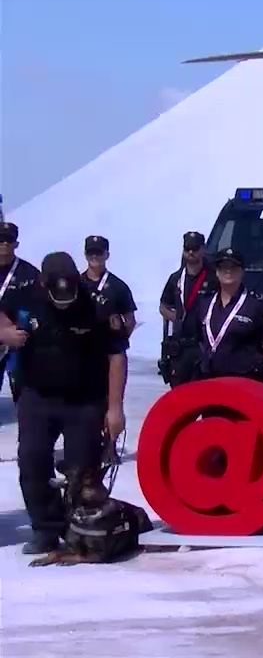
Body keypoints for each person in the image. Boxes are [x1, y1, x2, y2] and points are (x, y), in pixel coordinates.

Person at [0, 252, 126, 555]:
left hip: (83, 398)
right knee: (32, 459)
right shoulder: (27, 295)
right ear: (44, 284)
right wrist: (5, 332)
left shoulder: (96, 305)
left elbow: (116, 355)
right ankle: (45, 527)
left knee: (82, 467)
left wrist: (115, 408)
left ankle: (80, 528)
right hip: (37, 395)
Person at [191, 248, 263, 382]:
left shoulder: (258, 305)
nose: (228, 271)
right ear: (217, 272)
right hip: (210, 378)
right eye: (223, 267)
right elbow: (199, 339)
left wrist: (257, 362)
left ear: (242, 271)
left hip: (245, 379)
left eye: (233, 267)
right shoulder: (205, 303)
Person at [158, 231, 218, 386]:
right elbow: (163, 306)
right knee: (179, 396)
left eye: (195, 248)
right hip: (181, 347)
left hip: (203, 344)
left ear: (203, 249)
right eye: (188, 248)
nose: (191, 252)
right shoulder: (176, 278)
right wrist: (177, 319)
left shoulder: (213, 278)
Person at [0, 221, 41, 404]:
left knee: (23, 393)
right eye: (1, 239)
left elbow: (40, 307)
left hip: (19, 341)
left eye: (9, 240)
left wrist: (22, 332)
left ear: (16, 243)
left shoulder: (29, 273)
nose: (5, 244)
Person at [81, 235, 138, 343]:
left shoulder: (118, 286)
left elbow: (130, 321)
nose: (94, 256)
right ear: (85, 255)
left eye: (99, 252)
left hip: (108, 348)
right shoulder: (77, 284)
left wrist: (120, 342)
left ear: (107, 255)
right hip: (83, 348)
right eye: (90, 252)